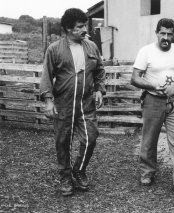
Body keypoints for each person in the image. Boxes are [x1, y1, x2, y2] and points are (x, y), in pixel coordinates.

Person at [40, 8, 106, 196]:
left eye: (85, 25)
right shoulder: (55, 49)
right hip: (64, 103)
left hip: (86, 103)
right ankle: (65, 177)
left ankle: (79, 169)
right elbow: (46, 76)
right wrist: (48, 101)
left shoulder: (91, 47)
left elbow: (100, 70)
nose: (85, 29)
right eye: (80, 27)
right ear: (68, 29)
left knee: (91, 138)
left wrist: (100, 90)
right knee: (63, 142)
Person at [131, 18, 174, 194]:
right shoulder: (146, 52)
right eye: (162, 33)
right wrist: (151, 86)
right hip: (152, 100)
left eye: (169, 34)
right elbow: (135, 78)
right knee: (149, 139)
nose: (166, 37)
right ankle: (147, 172)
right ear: (157, 33)